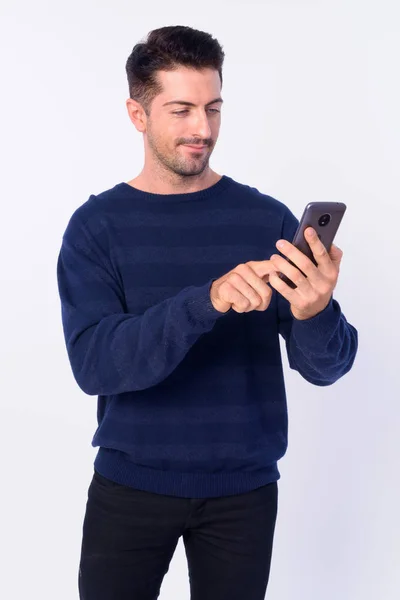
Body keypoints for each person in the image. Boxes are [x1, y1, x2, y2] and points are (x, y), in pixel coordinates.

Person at [56, 25, 358, 600]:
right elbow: (95, 365)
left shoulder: (265, 220)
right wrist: (206, 301)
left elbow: (326, 368)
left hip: (243, 494)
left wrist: (316, 312)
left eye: (214, 108)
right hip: (131, 488)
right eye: (182, 110)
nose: (203, 129)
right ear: (137, 113)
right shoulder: (96, 228)